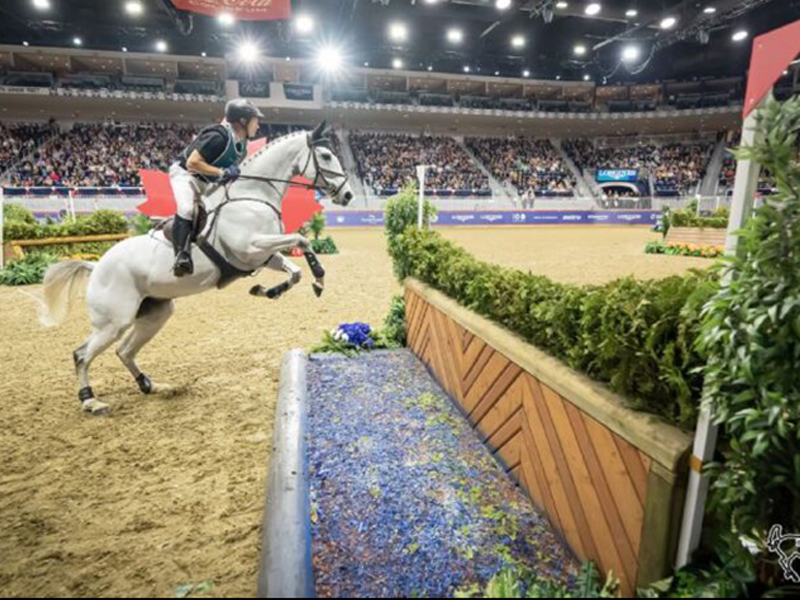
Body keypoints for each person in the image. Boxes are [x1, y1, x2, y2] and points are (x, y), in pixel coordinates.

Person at [169, 99, 264, 277]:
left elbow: (228, 174)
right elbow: (193, 163)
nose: (258, 125)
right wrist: (222, 173)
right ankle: (181, 257)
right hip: (185, 175)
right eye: (255, 120)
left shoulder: (243, 147)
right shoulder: (218, 135)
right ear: (243, 121)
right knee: (187, 209)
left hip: (207, 181)